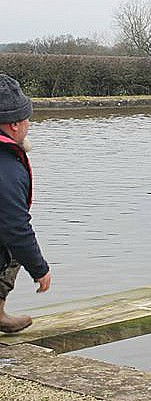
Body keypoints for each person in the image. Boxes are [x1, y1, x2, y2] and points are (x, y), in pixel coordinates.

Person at [0, 74, 51, 333]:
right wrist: (39, 269)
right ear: (15, 125)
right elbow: (15, 227)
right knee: (14, 247)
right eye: (28, 118)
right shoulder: (6, 166)